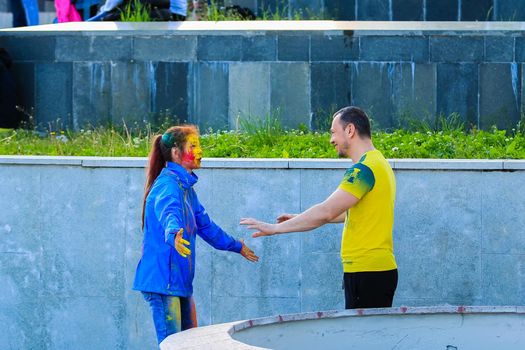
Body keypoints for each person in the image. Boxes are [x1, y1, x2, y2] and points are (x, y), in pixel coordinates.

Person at [240, 106, 398, 309]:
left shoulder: (363, 170)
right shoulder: (380, 163)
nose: (332, 140)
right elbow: (345, 212)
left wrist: (275, 228)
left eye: (333, 132)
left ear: (350, 130)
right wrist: (300, 217)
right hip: (374, 271)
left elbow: (326, 211)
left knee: (363, 340)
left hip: (368, 272)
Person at [133, 124, 258, 346]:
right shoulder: (168, 186)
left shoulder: (186, 189)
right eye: (194, 146)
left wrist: (236, 245)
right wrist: (173, 234)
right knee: (173, 345)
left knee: (190, 344)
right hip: (163, 282)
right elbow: (168, 213)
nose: (200, 151)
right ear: (175, 152)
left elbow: (207, 227)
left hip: (179, 283)